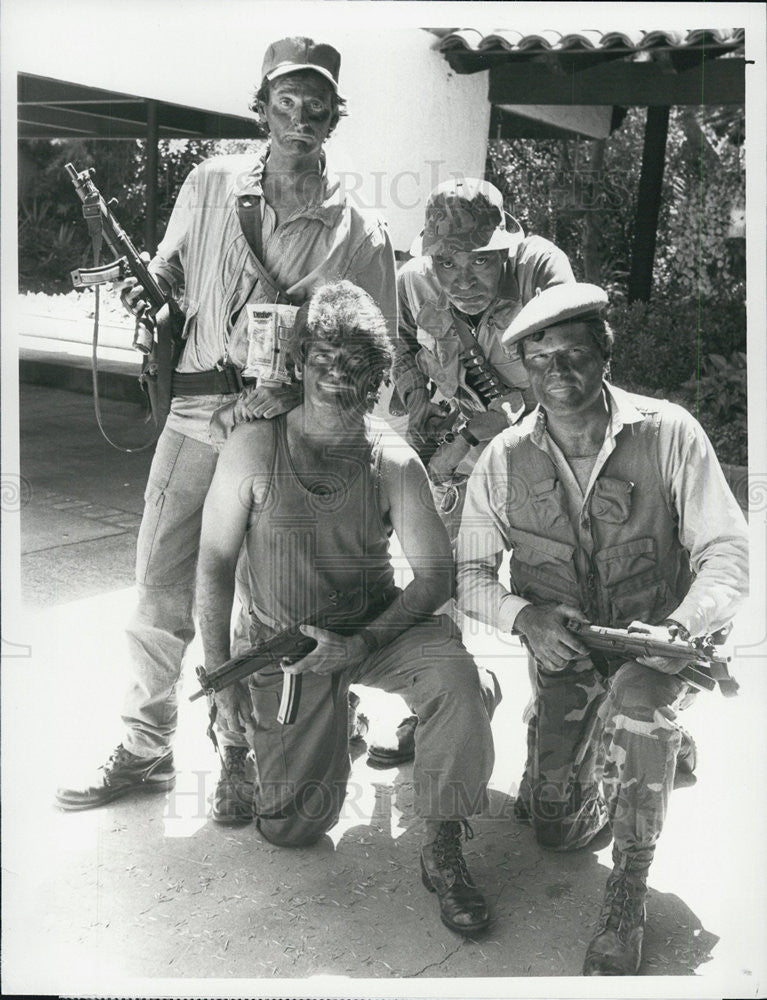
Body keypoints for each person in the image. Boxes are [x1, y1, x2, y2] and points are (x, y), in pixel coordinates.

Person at [55, 37, 397, 822]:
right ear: (261, 108)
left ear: (334, 117)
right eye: (285, 102)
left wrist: (291, 398)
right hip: (200, 416)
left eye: (317, 106)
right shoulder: (209, 183)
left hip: (290, 436)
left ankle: (245, 748)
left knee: (269, 602)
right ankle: (145, 746)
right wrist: (153, 291)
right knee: (160, 588)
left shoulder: (360, 227)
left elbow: (377, 342)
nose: (300, 118)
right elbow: (172, 272)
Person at [455, 282, 749, 974]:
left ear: (604, 355)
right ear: (523, 369)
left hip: (655, 650)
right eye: (540, 358)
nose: (558, 372)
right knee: (554, 830)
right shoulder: (501, 459)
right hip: (569, 656)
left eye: (574, 353)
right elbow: (466, 575)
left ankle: (628, 881)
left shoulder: (668, 432)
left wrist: (680, 625)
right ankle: (601, 763)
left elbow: (727, 554)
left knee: (638, 708)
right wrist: (522, 616)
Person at [197, 280, 500, 934]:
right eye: (325, 360)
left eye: (357, 366)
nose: (338, 378)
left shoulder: (391, 459)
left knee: (453, 676)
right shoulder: (253, 446)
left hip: (375, 626)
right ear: (300, 361)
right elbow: (216, 563)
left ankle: (444, 842)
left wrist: (359, 646)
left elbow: (433, 576)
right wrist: (222, 681)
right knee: (290, 830)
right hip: (287, 648)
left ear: (380, 379)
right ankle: (297, 730)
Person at [392, 177, 575, 541]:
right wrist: (417, 402)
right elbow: (401, 345)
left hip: (546, 444)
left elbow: (573, 369)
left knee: (547, 570)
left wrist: (474, 434)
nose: (463, 282)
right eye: (446, 263)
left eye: (479, 261)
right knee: (450, 571)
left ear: (504, 252)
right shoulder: (413, 283)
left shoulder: (538, 272)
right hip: (465, 447)